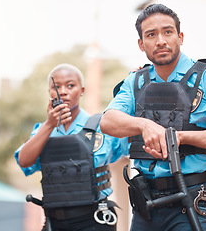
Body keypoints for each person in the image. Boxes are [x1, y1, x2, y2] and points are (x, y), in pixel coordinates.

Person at [100, 4, 206, 231]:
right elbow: (107, 121)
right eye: (151, 35)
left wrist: (179, 138)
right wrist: (144, 124)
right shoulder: (135, 82)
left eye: (167, 32)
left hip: (192, 201)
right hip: (145, 204)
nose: (160, 41)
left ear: (180, 37)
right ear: (141, 44)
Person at [14, 63, 128, 231]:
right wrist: (49, 125)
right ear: (50, 93)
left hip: (94, 220)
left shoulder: (102, 126)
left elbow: (132, 143)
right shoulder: (42, 132)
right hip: (55, 222)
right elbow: (24, 161)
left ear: (82, 90)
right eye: (56, 87)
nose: (63, 91)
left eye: (70, 85)